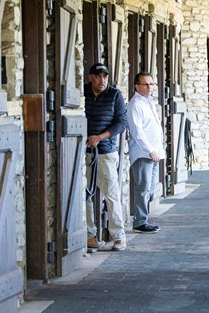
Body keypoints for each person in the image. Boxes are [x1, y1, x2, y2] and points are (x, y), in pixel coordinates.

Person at [84, 63, 127, 251]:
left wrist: (99, 137)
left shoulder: (114, 95)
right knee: (84, 194)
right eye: (99, 76)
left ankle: (118, 236)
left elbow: (121, 123)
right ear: (91, 77)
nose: (103, 80)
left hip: (106, 151)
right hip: (83, 151)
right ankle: (89, 235)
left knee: (111, 194)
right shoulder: (82, 93)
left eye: (105, 77)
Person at [127, 72, 164, 234]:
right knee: (143, 188)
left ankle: (143, 219)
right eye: (145, 84)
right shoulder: (135, 104)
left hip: (154, 153)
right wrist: (150, 150)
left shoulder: (148, 102)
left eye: (151, 84)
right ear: (137, 86)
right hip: (144, 153)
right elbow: (137, 132)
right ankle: (140, 222)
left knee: (148, 189)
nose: (149, 87)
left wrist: (158, 151)